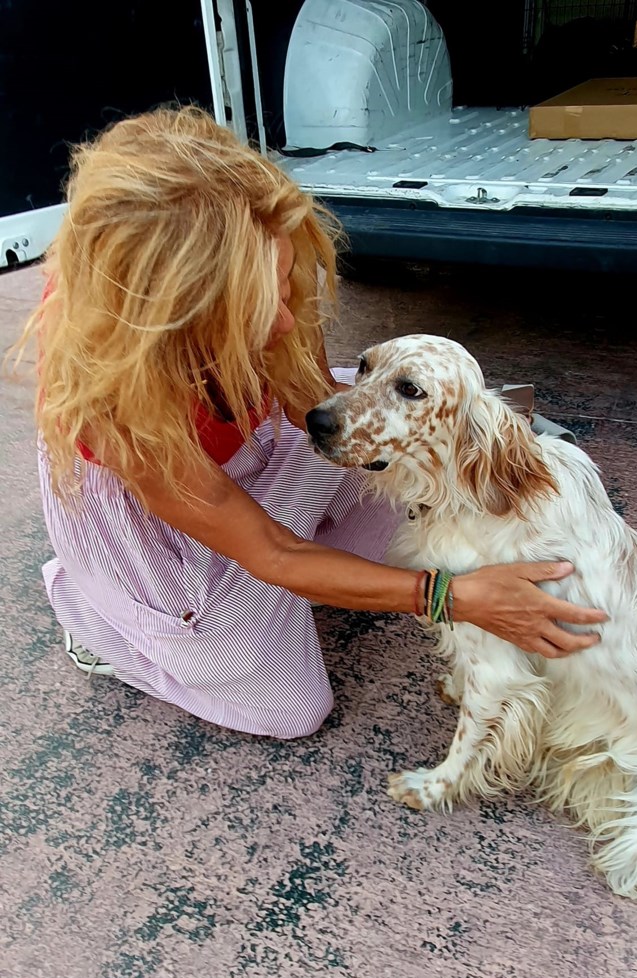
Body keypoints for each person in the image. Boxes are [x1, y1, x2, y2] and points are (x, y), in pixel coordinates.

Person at [26, 106, 606, 741]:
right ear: (172, 314)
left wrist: (480, 438)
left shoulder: (259, 256)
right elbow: (270, 551)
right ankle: (99, 613)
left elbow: (313, 397)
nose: (284, 321)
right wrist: (450, 597)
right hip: (151, 519)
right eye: (251, 308)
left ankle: (271, 587)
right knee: (291, 709)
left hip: (236, 464)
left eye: (280, 285)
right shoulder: (112, 402)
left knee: (404, 519)